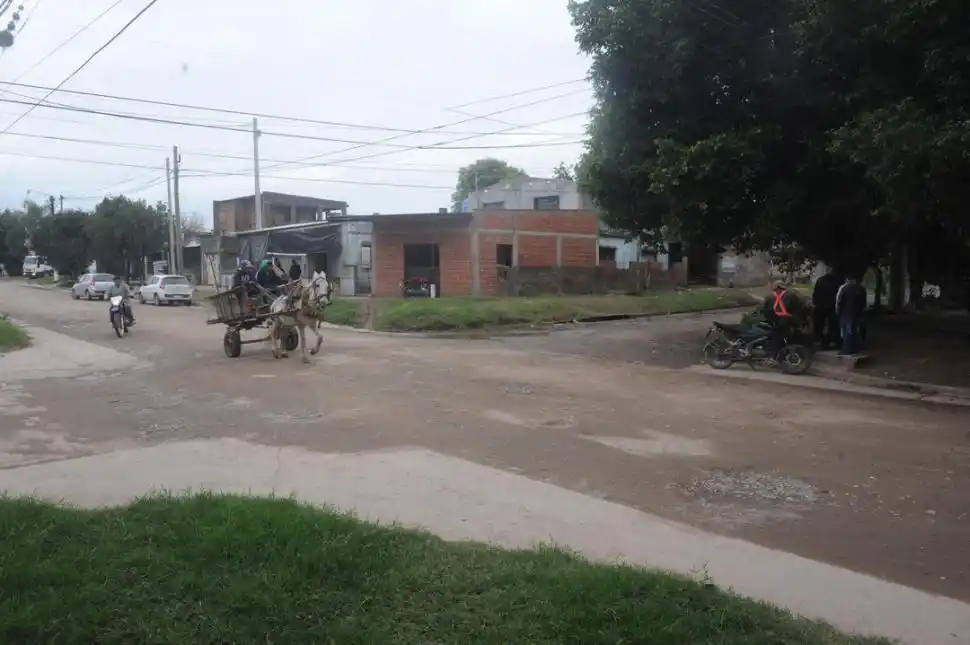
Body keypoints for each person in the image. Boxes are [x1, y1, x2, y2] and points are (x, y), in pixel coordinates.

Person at [761, 281, 803, 353]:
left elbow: (764, 310)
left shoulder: (769, 296)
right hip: (789, 321)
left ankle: (774, 353)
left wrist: (770, 319)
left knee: (775, 336)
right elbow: (798, 308)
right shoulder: (791, 295)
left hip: (775, 322)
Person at [835, 276, 866, 355]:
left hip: (846, 312)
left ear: (847, 279)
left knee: (846, 331)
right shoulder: (861, 288)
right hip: (857, 312)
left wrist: (838, 312)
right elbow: (863, 302)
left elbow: (839, 301)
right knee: (855, 330)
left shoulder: (844, 288)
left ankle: (846, 350)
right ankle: (855, 349)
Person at [812, 268, 841, 349]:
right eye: (829, 270)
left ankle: (832, 340)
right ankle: (821, 340)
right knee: (820, 323)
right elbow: (816, 292)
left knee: (833, 324)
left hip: (831, 306)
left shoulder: (837, 281)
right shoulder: (821, 280)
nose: (830, 271)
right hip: (822, 305)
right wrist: (815, 303)